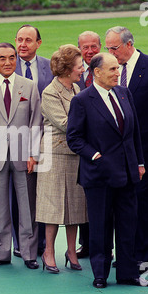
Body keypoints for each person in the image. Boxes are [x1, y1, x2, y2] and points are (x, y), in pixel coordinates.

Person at [67, 52, 148, 288]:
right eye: (113, 69)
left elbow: (134, 132)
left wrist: (139, 163)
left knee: (128, 225)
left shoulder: (124, 93)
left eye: (118, 68)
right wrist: (96, 156)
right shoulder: (82, 100)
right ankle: (100, 274)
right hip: (99, 176)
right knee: (100, 227)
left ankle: (127, 273)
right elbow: (74, 138)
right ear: (97, 72)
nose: (118, 73)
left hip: (127, 174)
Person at [105, 26, 148, 268]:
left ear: (129, 44)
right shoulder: (110, 70)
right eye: (108, 48)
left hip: (145, 148)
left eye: (114, 48)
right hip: (116, 151)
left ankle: (143, 257)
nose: (110, 52)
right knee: (121, 204)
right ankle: (126, 254)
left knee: (142, 203)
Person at [0, 43, 42, 269]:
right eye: (2, 58)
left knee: (27, 206)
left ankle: (29, 253)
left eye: (12, 58)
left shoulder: (30, 86)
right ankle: (1, 252)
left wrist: (33, 153)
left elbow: (36, 122)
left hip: (24, 157)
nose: (8, 63)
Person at [0, 24, 53, 258]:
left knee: (43, 193)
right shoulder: (5, 65)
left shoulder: (50, 66)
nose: (22, 44)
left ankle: (39, 244)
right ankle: (19, 244)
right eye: (19, 39)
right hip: (13, 145)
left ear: (38, 43)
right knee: (16, 196)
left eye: (28, 40)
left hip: (47, 139)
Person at [36, 44, 87, 274]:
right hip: (54, 155)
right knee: (53, 208)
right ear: (67, 69)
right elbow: (65, 124)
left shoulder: (77, 88)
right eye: (79, 66)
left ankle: (71, 251)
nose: (83, 69)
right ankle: (48, 252)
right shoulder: (49, 92)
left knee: (75, 207)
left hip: (76, 154)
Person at [75, 31, 101, 259]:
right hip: (82, 147)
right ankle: (86, 243)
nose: (90, 51)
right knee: (84, 197)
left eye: (94, 46)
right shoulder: (76, 75)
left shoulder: (108, 72)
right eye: (86, 47)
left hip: (105, 146)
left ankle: (106, 247)